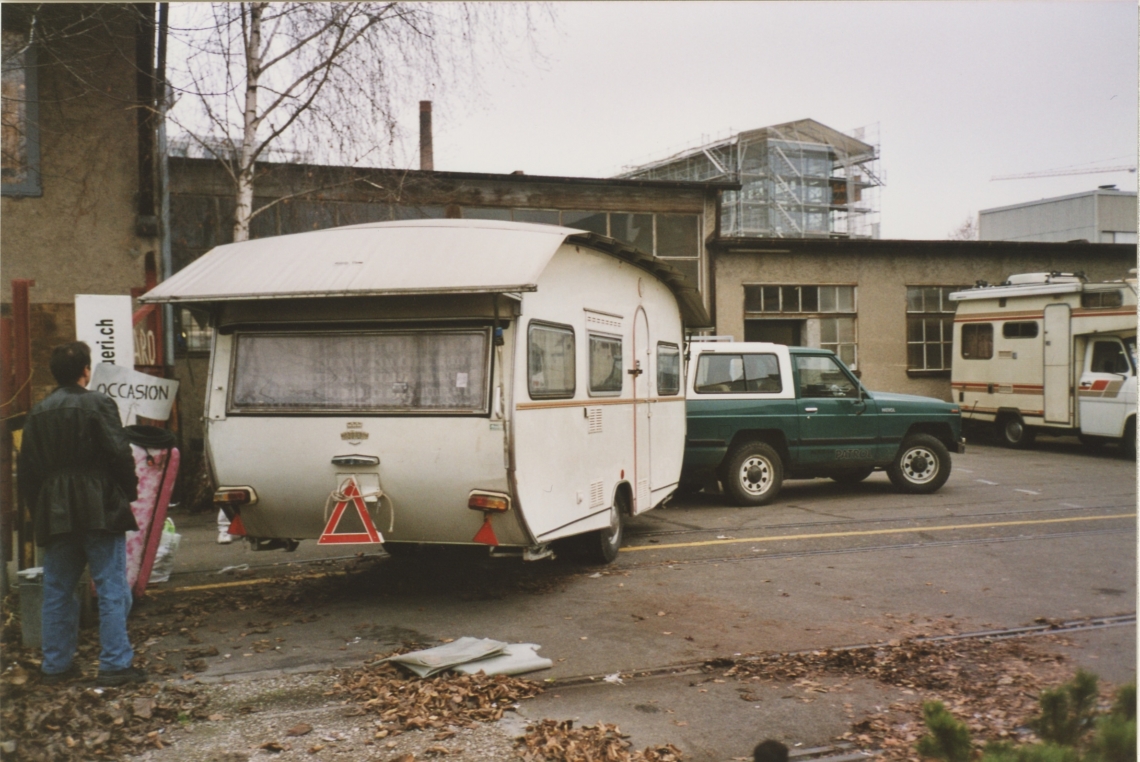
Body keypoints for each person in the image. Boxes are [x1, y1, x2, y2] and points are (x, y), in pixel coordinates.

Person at [18, 341, 145, 686]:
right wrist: (128, 493)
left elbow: (27, 469)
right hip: (99, 503)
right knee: (111, 585)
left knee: (57, 590)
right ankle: (115, 664)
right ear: (85, 371)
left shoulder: (39, 412)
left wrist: (39, 507)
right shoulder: (99, 404)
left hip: (54, 507)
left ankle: (56, 666)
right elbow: (119, 454)